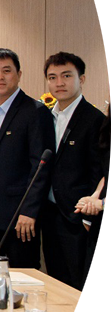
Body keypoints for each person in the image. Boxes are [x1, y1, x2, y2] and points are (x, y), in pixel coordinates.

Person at [0, 48, 55, 269]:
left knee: (21, 276)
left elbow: (41, 167)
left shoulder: (35, 111)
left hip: (19, 214)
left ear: (19, 74)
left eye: (6, 71)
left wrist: (29, 211)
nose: (0, 77)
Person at [39, 51, 104, 288]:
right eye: (52, 77)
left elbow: (98, 171)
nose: (59, 83)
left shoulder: (94, 119)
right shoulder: (45, 116)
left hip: (78, 216)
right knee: (55, 281)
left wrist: (88, 217)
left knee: (79, 284)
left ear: (81, 79)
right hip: (49, 213)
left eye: (66, 76)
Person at [76, 75, 111, 298]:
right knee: (97, 288)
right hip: (104, 220)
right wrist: (94, 196)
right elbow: (107, 172)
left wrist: (102, 204)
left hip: (106, 209)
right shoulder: (108, 122)